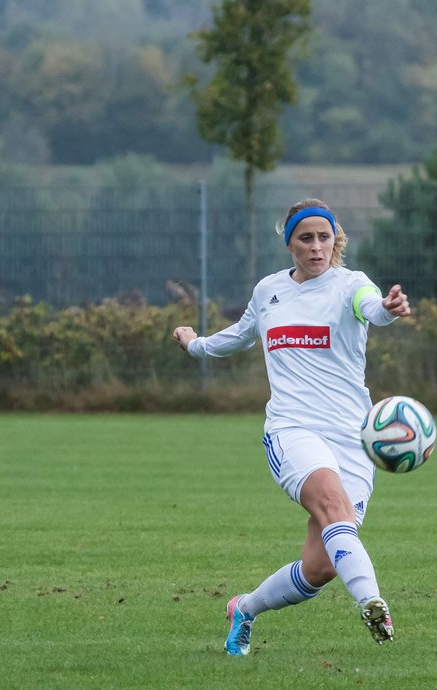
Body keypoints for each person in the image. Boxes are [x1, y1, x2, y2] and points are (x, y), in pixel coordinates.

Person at [172, 199, 411, 655]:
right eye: (306, 238)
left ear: (334, 241)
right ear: (290, 244)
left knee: (319, 567)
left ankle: (244, 608)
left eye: (325, 237)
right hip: (293, 429)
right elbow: (240, 335)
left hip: (353, 439)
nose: (317, 247)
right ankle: (372, 603)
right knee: (332, 506)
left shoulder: (352, 286)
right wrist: (196, 345)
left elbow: (373, 308)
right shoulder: (269, 292)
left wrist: (387, 307)